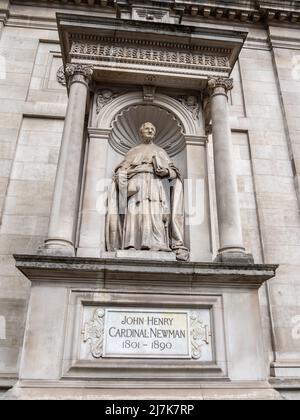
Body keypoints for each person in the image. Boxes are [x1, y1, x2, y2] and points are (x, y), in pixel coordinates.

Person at [106, 122, 189, 261]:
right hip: (137, 185)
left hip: (156, 184)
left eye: (152, 129)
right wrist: (122, 173)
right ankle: (131, 244)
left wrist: (166, 171)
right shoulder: (133, 151)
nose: (150, 130)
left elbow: (175, 173)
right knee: (135, 212)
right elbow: (121, 169)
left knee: (156, 213)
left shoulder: (160, 151)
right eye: (147, 128)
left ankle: (158, 243)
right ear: (141, 132)